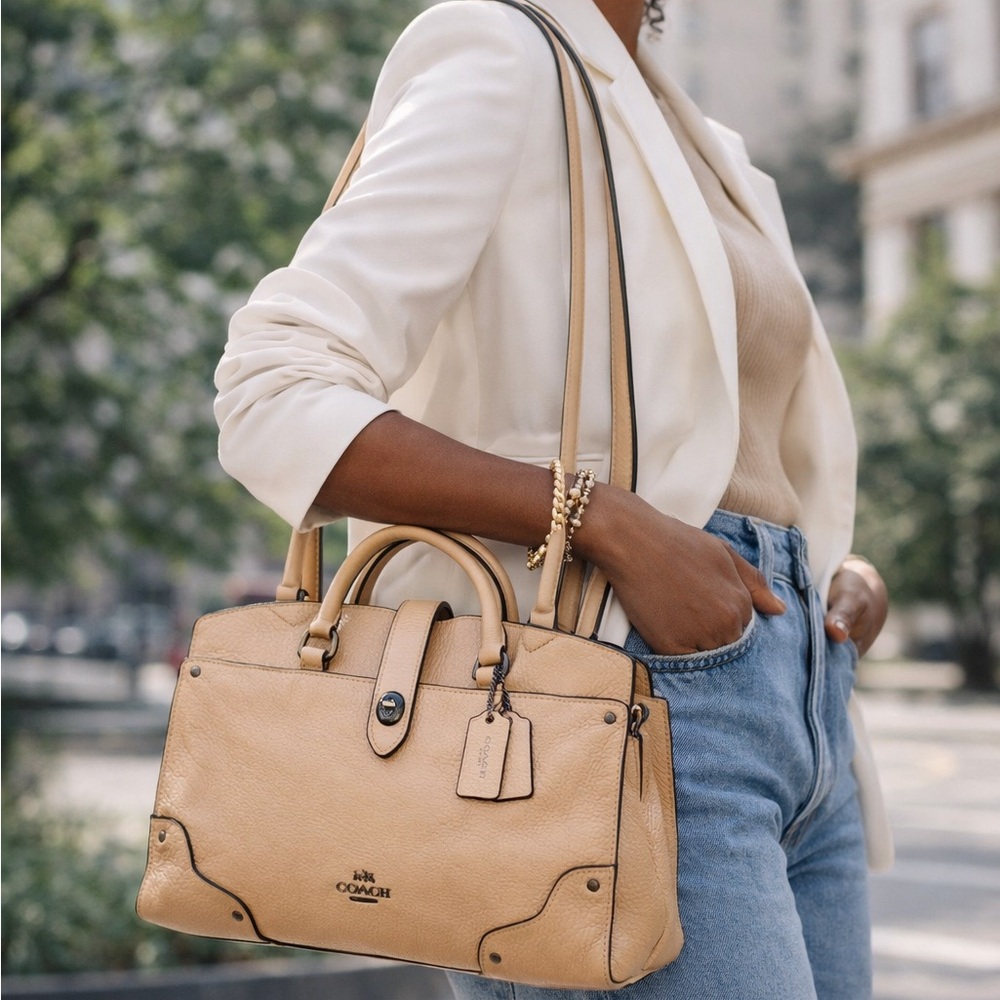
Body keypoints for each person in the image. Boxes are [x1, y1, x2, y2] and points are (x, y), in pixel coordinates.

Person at [215, 0, 891, 997]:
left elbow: (722, 433)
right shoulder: (501, 52)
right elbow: (273, 391)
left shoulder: (714, 148)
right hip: (610, 696)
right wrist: (599, 519)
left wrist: (828, 564)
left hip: (801, 710)